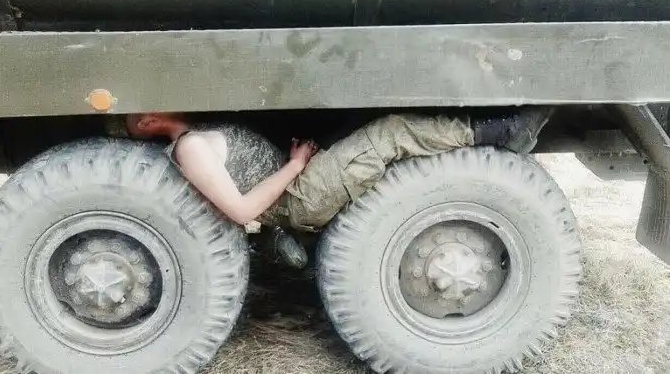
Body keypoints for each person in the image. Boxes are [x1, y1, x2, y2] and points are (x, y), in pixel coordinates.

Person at [115, 106, 553, 267]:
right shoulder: (189, 147)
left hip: (298, 180)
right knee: (388, 133)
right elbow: (242, 211)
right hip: (298, 197)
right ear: (148, 122)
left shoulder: (196, 135)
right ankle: (498, 132)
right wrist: (295, 165)